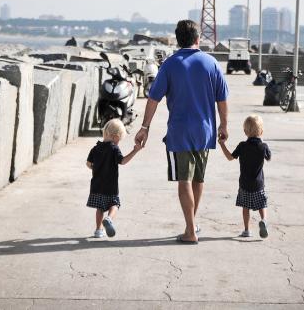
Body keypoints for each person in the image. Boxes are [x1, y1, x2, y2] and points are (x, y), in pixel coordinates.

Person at [134, 20, 229, 244]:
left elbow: (153, 99)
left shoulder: (170, 64)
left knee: (184, 179)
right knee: (198, 177)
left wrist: (145, 127)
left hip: (180, 131)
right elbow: (222, 99)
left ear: (178, 40)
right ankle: (192, 224)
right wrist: (224, 125)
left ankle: (190, 230)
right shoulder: (211, 63)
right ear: (198, 39)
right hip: (205, 131)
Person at [86, 119, 142, 238]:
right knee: (114, 204)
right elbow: (123, 161)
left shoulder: (95, 148)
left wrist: (96, 169)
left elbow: (89, 164)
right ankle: (109, 219)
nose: (118, 143)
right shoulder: (113, 148)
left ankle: (98, 230)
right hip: (110, 186)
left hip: (96, 185)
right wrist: (135, 151)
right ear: (116, 137)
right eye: (119, 140)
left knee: (99, 208)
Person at [219, 115, 271, 239]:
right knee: (261, 205)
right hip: (258, 184)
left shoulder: (242, 146)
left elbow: (230, 157)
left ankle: (247, 230)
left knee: (245, 207)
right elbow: (269, 158)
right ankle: (263, 220)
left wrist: (222, 144)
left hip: (244, 184)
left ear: (245, 132)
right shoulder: (263, 147)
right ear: (261, 131)